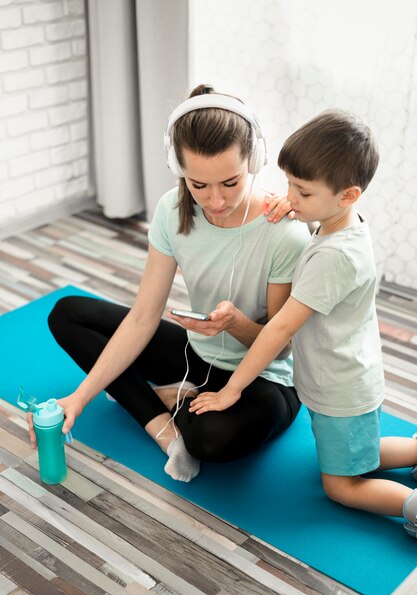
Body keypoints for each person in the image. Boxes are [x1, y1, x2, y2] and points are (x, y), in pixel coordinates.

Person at [27, 84, 310, 482]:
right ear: (180, 172)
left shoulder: (285, 232)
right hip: (199, 355)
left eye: (230, 183)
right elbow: (143, 318)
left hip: (263, 377)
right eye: (199, 185)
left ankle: (161, 396)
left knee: (210, 441)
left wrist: (234, 324)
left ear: (255, 160)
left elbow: (279, 350)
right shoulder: (171, 212)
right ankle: (163, 425)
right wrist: (79, 398)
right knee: (68, 313)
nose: (215, 201)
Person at [190, 108, 417, 536]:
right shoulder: (341, 224)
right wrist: (300, 206)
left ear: (348, 195)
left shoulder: (332, 257)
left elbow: (280, 328)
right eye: (290, 184)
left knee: (341, 484)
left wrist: (231, 390)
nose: (289, 198)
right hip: (349, 376)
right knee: (357, 452)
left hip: (340, 389)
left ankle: (410, 505)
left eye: (302, 191)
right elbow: (317, 213)